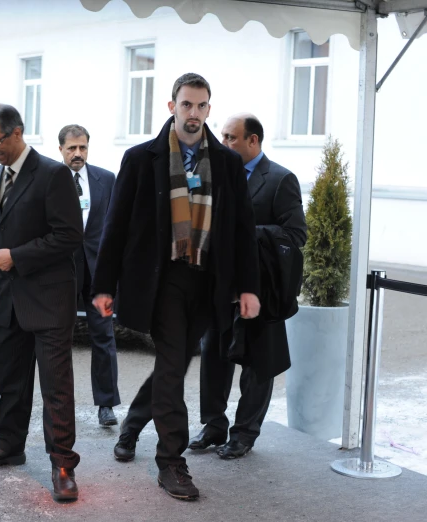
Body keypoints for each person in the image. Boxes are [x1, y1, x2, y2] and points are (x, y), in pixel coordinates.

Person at [93, 73, 260, 501]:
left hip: (207, 281)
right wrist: (102, 286)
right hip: (161, 279)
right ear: (172, 107)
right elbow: (115, 227)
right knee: (172, 366)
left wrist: (248, 287)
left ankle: (131, 426)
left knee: (176, 364)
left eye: (202, 106)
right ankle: (171, 461)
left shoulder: (225, 163)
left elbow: (242, 231)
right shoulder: (140, 158)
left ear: (209, 109)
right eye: (186, 105)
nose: (194, 114)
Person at [0, 104, 83, 502]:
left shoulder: (54, 174)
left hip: (49, 298)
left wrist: (17, 258)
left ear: (17, 132)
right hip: (8, 298)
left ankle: (63, 465)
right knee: (11, 379)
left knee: (56, 386)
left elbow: (69, 236)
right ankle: (9, 444)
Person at [186, 113, 306, 459]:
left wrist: (246, 235)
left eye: (231, 137)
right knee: (213, 357)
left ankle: (244, 434)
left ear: (253, 141)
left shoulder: (280, 180)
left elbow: (297, 233)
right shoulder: (218, 175)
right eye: (222, 137)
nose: (223, 143)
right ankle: (213, 425)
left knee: (257, 365)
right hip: (220, 288)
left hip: (262, 289)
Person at [57, 124, 121, 427]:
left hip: (100, 276)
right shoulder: (49, 179)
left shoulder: (106, 179)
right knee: (58, 339)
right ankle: (60, 403)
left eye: (82, 147)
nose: (78, 153)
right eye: (72, 148)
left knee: (104, 336)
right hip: (62, 272)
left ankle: (106, 404)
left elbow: (118, 223)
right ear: (61, 150)